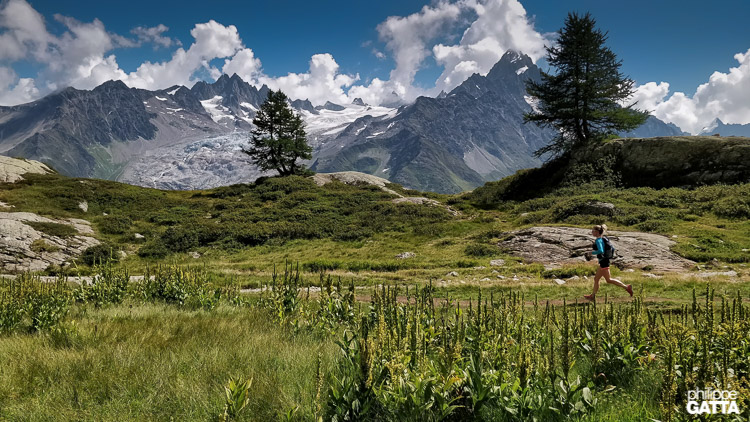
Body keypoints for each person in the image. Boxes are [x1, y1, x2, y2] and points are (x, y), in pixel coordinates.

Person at [583, 224, 633, 301]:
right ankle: (592, 296)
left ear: (597, 232)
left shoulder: (598, 240)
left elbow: (601, 251)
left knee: (609, 280)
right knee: (596, 279)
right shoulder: (603, 238)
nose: (592, 232)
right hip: (603, 261)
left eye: (593, 230)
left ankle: (627, 287)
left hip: (604, 262)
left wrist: (591, 252)